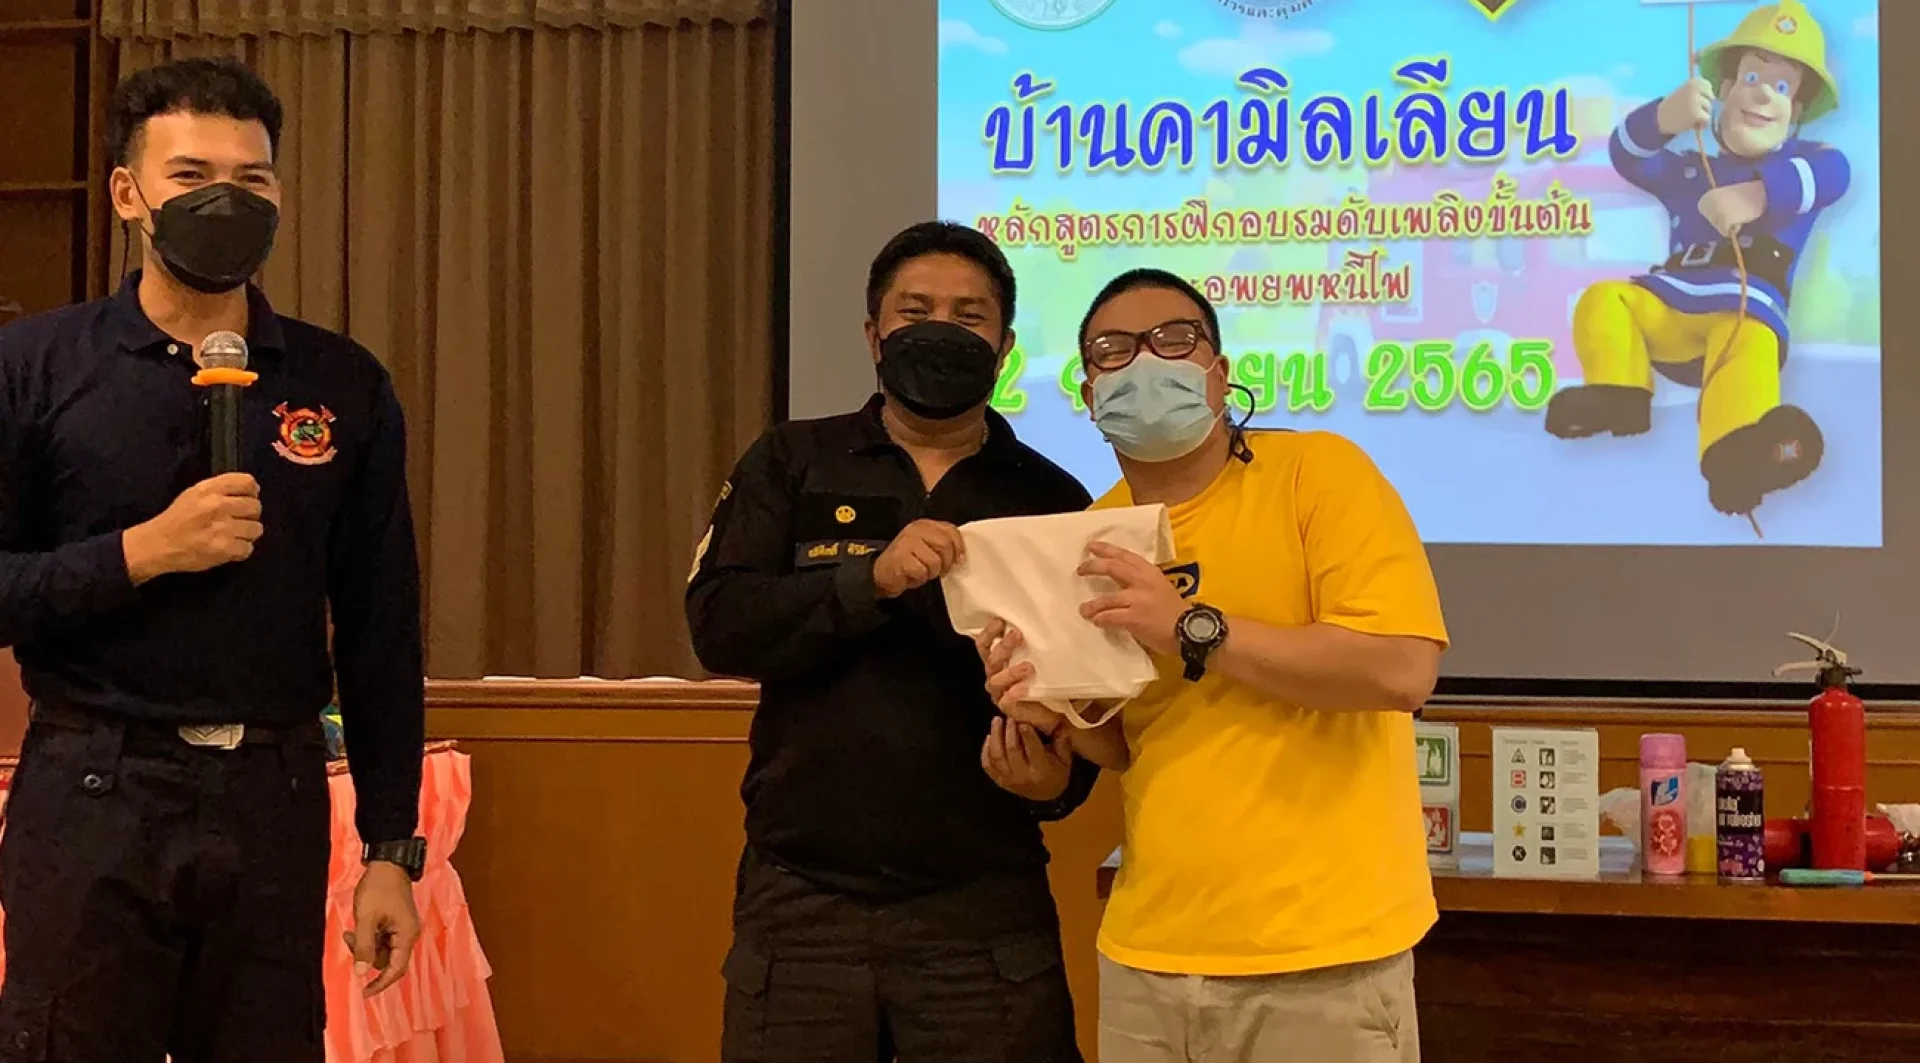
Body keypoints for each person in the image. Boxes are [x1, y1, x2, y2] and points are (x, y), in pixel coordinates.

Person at [0, 57, 427, 1060]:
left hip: (273, 795)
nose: (225, 201)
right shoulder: (35, 368)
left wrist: (390, 845)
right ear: (128, 193)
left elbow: (382, 626)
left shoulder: (342, 382)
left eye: (253, 179)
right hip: (92, 787)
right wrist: (138, 554)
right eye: (191, 176)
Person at [979, 269, 1448, 1063]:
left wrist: (1192, 627)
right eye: (1113, 350)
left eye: (1174, 339)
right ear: (1089, 394)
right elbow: (1127, 742)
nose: (1144, 362)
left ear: (1220, 373)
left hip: (1321, 954)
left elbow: (1401, 670)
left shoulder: (1318, 473)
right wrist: (1048, 707)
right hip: (1148, 952)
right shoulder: (1094, 531)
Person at [687, 221, 1097, 1063]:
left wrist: (1056, 782)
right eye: (916, 312)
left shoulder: (1054, 497)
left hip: (984, 911)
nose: (940, 330)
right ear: (874, 333)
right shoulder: (791, 460)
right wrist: (866, 580)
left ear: (1005, 346)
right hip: (802, 905)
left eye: (969, 317)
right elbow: (720, 624)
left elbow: (1085, 692)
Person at [1547, 0, 1849, 520]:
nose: (1763, 94)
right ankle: (1620, 394)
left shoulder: (1806, 165)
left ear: (1796, 113)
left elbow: (1833, 173)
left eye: (1781, 87)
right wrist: (1664, 117)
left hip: (1743, 310)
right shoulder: (1691, 170)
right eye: (1751, 77)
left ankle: (1736, 459)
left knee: (1749, 341)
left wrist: (1757, 196)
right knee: (1606, 299)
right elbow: (1628, 156)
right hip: (1671, 308)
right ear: (1725, 90)